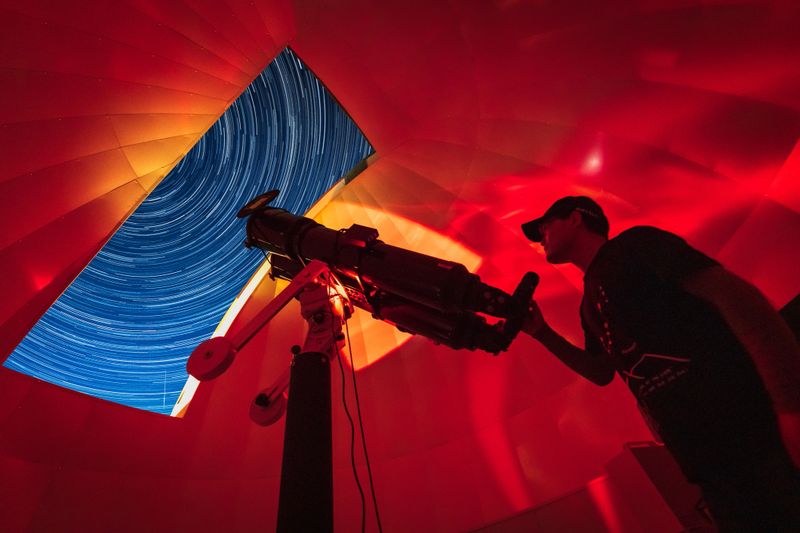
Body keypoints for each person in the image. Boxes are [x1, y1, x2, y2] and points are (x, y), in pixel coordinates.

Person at [520, 196, 800, 531]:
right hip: (704, 460)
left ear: (577, 218)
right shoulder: (588, 305)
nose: (540, 236)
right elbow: (600, 371)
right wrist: (542, 334)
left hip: (754, 429)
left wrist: (790, 405)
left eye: (545, 225)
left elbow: (736, 299)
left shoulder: (636, 245)